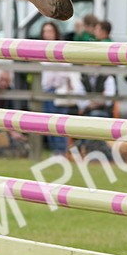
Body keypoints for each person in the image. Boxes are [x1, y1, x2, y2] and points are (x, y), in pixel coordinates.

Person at [37, 21, 82, 156]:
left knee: (60, 122)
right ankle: (54, 150)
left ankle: (61, 151)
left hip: (59, 89)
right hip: (47, 90)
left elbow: (65, 70)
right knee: (48, 123)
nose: (47, 34)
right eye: (45, 31)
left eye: (50, 31)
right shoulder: (40, 48)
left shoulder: (61, 47)